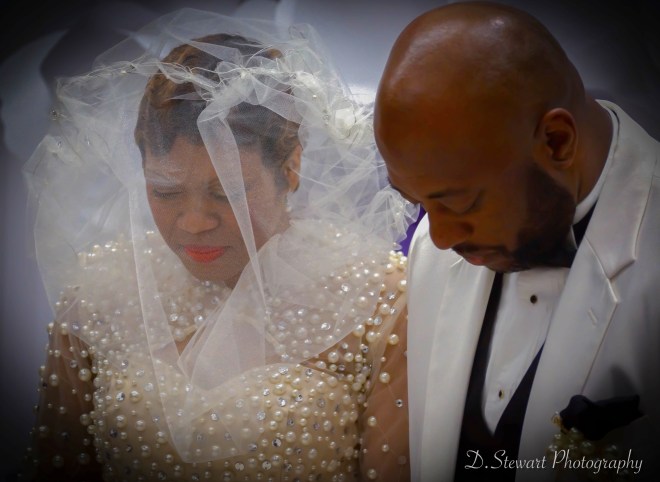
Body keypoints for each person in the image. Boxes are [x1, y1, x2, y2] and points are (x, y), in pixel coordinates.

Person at [19, 9, 415, 481]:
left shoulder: (378, 297)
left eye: (227, 192)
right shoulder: (99, 292)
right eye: (165, 192)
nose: (194, 223)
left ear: (290, 166)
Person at [374, 1, 660, 481]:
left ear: (556, 142)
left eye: (462, 204)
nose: (439, 238)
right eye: (417, 202)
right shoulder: (432, 245)